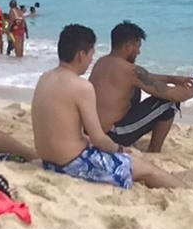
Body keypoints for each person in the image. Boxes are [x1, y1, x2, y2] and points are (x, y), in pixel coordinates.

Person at [32, 25, 183, 189]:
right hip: (73, 164)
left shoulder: (45, 78)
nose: (91, 60)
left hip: (49, 162)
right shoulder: (81, 87)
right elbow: (99, 139)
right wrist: (120, 149)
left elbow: (62, 130)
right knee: (148, 170)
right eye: (91, 54)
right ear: (81, 55)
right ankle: (190, 192)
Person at [90, 21, 193, 153]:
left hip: (94, 131)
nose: (138, 52)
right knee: (169, 103)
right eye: (137, 47)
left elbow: (146, 77)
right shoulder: (130, 70)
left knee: (136, 89)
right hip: (113, 135)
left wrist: (172, 79)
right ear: (128, 47)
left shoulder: (102, 62)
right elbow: (172, 94)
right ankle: (154, 151)